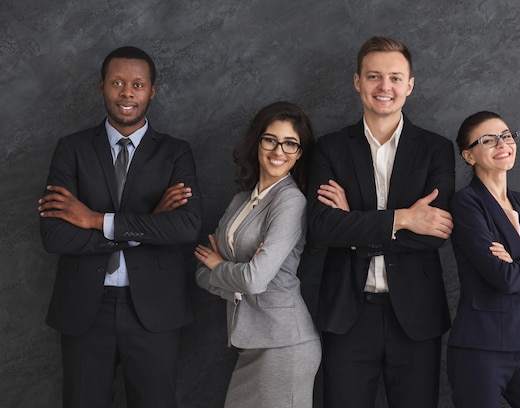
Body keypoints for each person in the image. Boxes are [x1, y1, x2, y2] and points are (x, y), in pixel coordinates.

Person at [38, 46, 202, 408]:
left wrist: (96, 221)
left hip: (154, 311)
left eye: (138, 84)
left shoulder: (175, 152)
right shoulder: (72, 149)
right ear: (102, 87)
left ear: (152, 91)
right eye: (117, 82)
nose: (127, 92)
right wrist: (147, 227)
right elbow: (55, 234)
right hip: (85, 310)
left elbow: (186, 226)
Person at [307, 36, 455, 408]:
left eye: (394, 77)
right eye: (374, 76)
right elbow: (323, 228)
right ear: (358, 82)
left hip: (416, 316)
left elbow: (435, 232)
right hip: (347, 315)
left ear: (410, 85)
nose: (384, 87)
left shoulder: (436, 148)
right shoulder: (330, 148)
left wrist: (354, 227)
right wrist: (404, 218)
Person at [194, 101, 321, 408]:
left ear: (300, 153)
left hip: (285, 345)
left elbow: (254, 279)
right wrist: (235, 274)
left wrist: (222, 266)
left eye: (290, 143)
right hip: (252, 342)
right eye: (271, 140)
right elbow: (201, 273)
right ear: (257, 142)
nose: (279, 151)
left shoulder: (291, 202)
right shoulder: (240, 200)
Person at [446, 111, 520, 407]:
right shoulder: (465, 203)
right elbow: (503, 277)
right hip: (481, 347)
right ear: (469, 155)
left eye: (506, 135)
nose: (502, 144)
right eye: (488, 140)